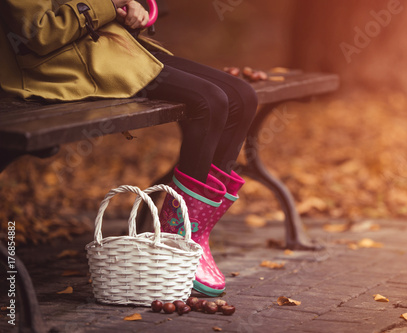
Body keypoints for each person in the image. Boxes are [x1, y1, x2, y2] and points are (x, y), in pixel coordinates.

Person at [0, 0, 258, 297]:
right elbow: (38, 34)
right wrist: (108, 6)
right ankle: (177, 239)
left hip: (110, 49)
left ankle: (197, 232)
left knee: (243, 96)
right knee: (210, 101)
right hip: (64, 66)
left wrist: (139, 9)